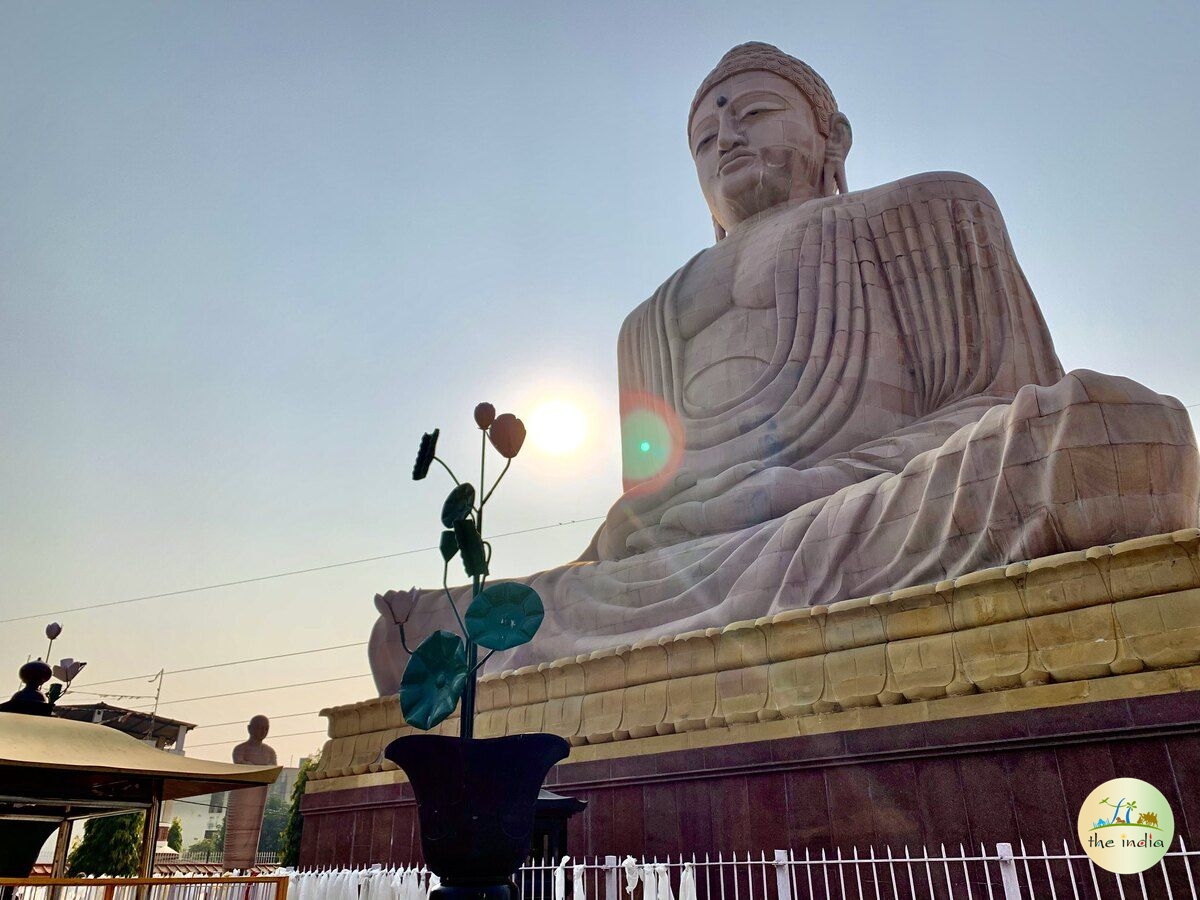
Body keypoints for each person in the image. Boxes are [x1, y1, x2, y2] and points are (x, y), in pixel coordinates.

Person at [369, 42, 1199, 692]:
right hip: (688, 574)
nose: (726, 137)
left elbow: (1000, 409)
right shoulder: (645, 321)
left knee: (1119, 436)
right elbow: (643, 520)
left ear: (832, 135)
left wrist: (790, 492)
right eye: (704, 139)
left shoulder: (930, 205)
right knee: (414, 636)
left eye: (756, 112)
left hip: (863, 516)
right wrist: (667, 530)